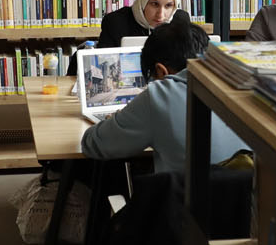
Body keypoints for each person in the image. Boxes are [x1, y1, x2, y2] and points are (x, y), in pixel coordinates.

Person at [80, 20, 248, 179]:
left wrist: (117, 120)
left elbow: (93, 144)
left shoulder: (159, 95)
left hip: (185, 199)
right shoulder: (245, 86)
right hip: (245, 198)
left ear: (161, 71)